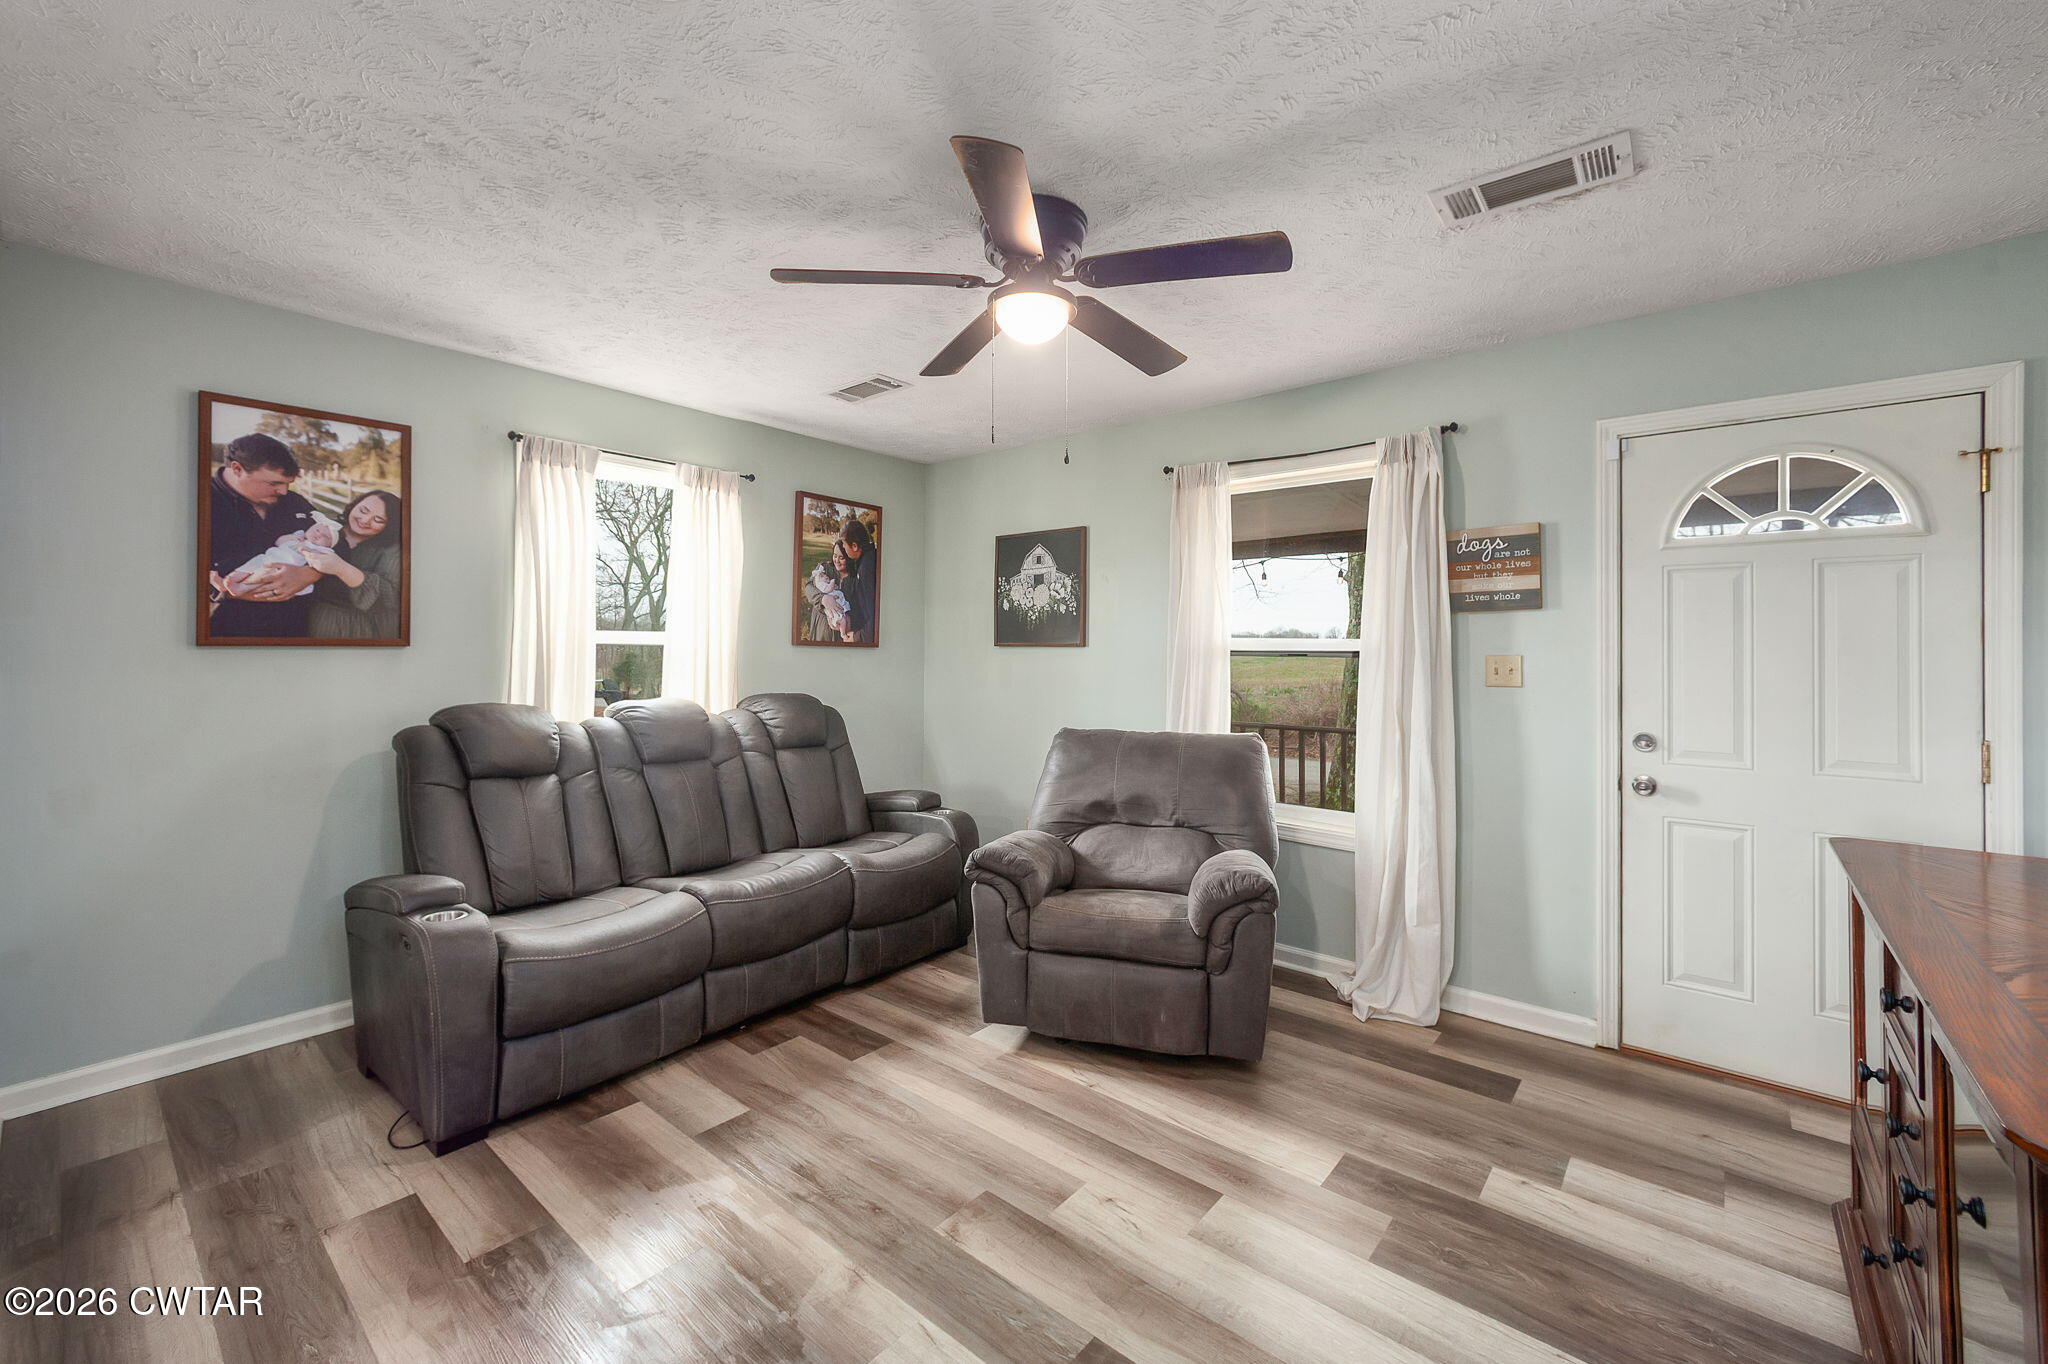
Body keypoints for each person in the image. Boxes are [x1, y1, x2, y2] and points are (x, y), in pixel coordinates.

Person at [207, 434, 320, 637]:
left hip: (296, 631)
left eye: (288, 484)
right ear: (237, 469)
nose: (284, 492)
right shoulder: (200, 502)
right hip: (230, 632)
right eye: (274, 483)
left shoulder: (294, 502)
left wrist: (309, 575)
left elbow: (339, 545)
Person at [304, 489, 403, 639]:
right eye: (363, 510)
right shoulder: (326, 528)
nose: (365, 520)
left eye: (378, 520)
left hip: (358, 627)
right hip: (310, 617)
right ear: (355, 504)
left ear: (389, 525)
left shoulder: (392, 549)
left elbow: (390, 598)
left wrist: (341, 569)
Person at [835, 516, 878, 643]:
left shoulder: (866, 568)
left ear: (854, 546)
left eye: (844, 544)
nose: (843, 547)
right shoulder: (869, 559)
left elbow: (874, 613)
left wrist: (858, 637)